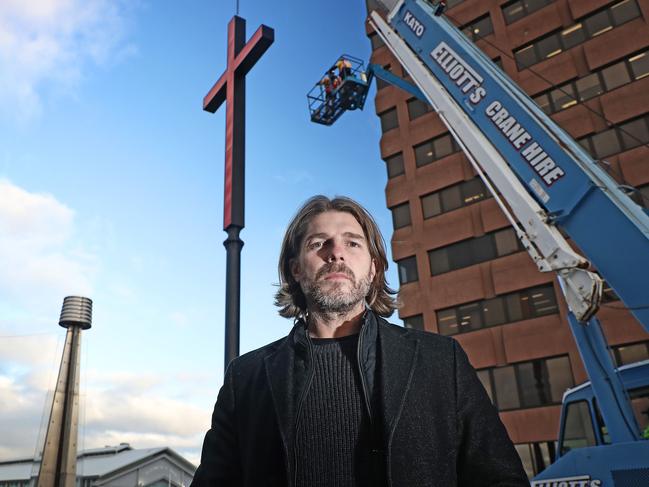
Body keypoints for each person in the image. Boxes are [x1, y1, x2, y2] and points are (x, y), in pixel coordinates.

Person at [191, 195, 529, 487]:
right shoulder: (245, 378)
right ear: (295, 269)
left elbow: (500, 477)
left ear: (373, 269)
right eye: (318, 243)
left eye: (352, 243)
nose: (336, 253)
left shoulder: (440, 360)